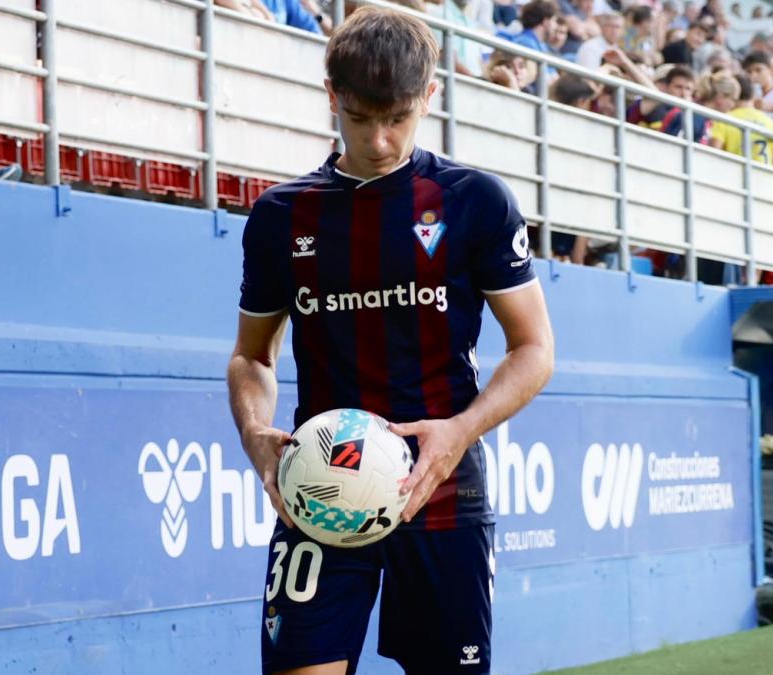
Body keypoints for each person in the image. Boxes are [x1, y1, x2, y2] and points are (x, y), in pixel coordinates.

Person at [227, 7, 555, 673]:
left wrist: (460, 429)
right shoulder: (279, 217)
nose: (378, 140)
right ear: (332, 99)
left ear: (429, 97)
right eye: (360, 117)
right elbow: (252, 356)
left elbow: (534, 349)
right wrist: (256, 432)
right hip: (319, 493)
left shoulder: (475, 201)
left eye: (397, 118)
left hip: (442, 491)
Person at [710, 74, 773, 164]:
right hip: (765, 176)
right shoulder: (768, 121)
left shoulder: (724, 119)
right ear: (753, 95)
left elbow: (713, 155)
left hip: (734, 175)